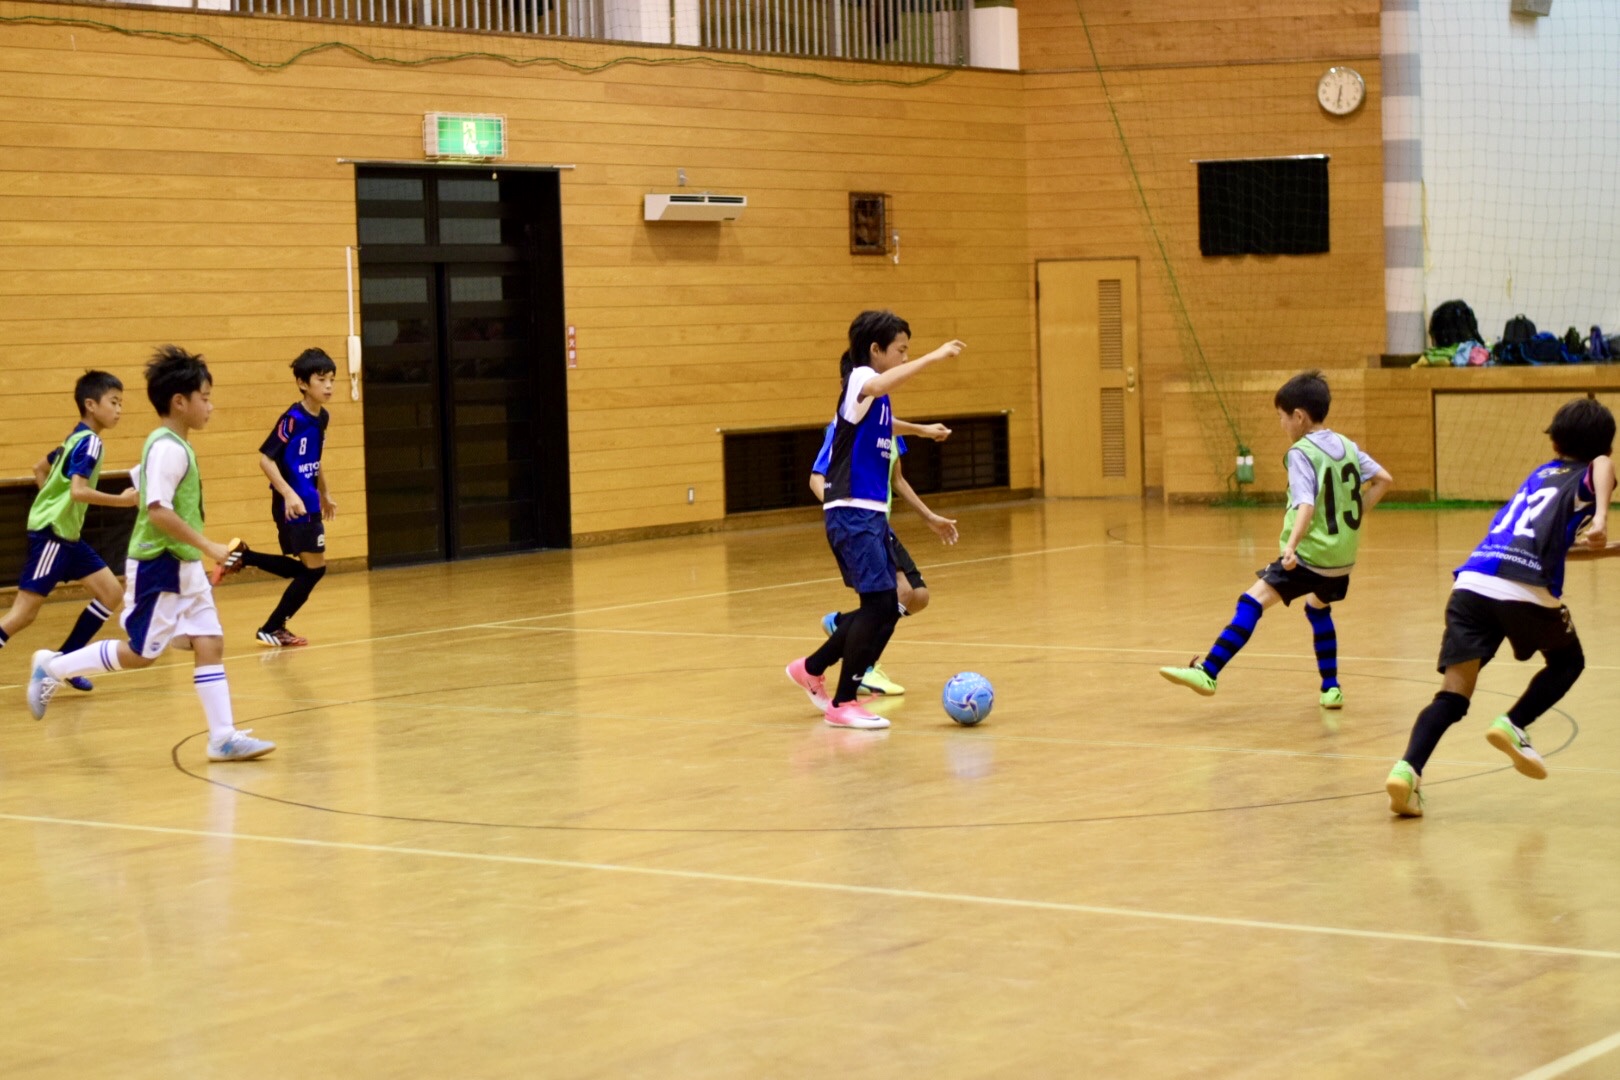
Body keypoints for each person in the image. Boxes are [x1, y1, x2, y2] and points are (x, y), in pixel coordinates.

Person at [28, 346, 276, 762]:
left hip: (183, 564)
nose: (210, 406)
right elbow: (158, 511)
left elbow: (147, 489)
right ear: (180, 401)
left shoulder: (172, 444)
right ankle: (54, 666)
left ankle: (222, 737)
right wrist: (210, 546)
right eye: (205, 398)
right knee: (142, 654)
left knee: (210, 642)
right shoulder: (167, 448)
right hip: (159, 564)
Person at [1386, 398, 1615, 817]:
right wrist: (1600, 517)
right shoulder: (1588, 474)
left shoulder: (1538, 476)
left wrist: (1611, 547)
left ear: (1555, 442)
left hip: (1472, 583)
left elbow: (1550, 549)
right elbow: (1602, 464)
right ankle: (1514, 723)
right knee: (1569, 662)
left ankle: (1407, 770)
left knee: (1453, 695)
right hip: (1521, 591)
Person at [1160, 370, 1393, 705]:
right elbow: (1384, 479)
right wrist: (1352, 517)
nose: (1281, 425)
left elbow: (1306, 504)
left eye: (1281, 417)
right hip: (1342, 561)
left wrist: (1292, 546)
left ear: (1299, 416)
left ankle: (1209, 671)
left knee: (1252, 600)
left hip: (1312, 556)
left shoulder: (1301, 453)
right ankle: (1331, 689)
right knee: (1317, 607)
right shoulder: (1347, 445)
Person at [786, 310, 963, 729]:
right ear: (876, 349)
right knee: (880, 605)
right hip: (852, 512)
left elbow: (884, 423)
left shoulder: (875, 397)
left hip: (870, 514)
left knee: (887, 607)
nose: (905, 357)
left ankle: (811, 668)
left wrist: (920, 431)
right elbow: (880, 385)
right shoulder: (860, 379)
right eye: (901, 350)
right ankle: (843, 702)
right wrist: (935, 357)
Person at [0, 371, 139, 691]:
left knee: (111, 592)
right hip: (53, 536)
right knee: (22, 614)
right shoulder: (90, 442)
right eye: (113, 402)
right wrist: (122, 501)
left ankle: (64, 663)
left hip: (66, 537)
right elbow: (78, 491)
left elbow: (40, 468)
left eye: (121, 403)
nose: (119, 409)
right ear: (91, 404)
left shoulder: (75, 438)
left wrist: (50, 502)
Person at [809, 417, 957, 695]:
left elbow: (897, 480)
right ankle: (864, 667)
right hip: (859, 524)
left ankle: (843, 625)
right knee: (900, 592)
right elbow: (816, 478)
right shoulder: (846, 424)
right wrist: (840, 511)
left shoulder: (890, 426)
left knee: (918, 596)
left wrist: (929, 517)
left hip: (880, 524)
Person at [217, 348, 337, 646]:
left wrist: (325, 493)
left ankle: (245, 556)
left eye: (332, 380)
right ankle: (271, 627)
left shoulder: (322, 417)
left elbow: (315, 458)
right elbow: (266, 460)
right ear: (302, 383)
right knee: (314, 570)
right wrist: (289, 494)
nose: (328, 386)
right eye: (321, 380)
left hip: (309, 501)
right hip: (292, 504)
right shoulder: (292, 419)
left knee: (310, 570)